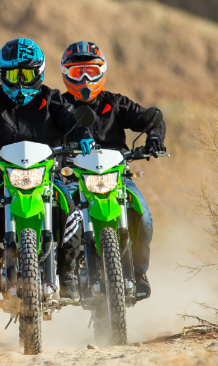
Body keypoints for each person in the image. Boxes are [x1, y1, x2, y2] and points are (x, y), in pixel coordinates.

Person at [0, 38, 90, 308]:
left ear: (38, 73)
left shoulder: (52, 99)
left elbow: (73, 119)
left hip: (47, 175)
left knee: (71, 208)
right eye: (12, 75)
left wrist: (84, 136)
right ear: (1, 74)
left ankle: (68, 274)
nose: (19, 83)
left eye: (25, 75)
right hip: (2, 175)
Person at [57, 40, 166, 300]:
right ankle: (64, 275)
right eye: (77, 72)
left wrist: (154, 138)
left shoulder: (115, 104)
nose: (84, 79)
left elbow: (151, 119)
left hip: (117, 177)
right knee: (60, 216)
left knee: (145, 218)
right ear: (65, 74)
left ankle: (139, 273)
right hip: (73, 178)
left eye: (91, 72)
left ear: (102, 72)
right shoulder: (57, 106)